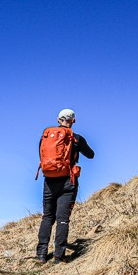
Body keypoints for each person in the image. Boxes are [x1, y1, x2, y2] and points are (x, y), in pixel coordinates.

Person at [36, 108, 94, 264]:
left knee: (47, 217)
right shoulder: (76, 138)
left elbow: (41, 155)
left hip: (49, 181)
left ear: (58, 119)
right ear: (73, 121)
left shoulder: (46, 136)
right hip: (68, 181)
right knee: (63, 219)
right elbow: (91, 154)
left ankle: (41, 254)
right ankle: (58, 255)